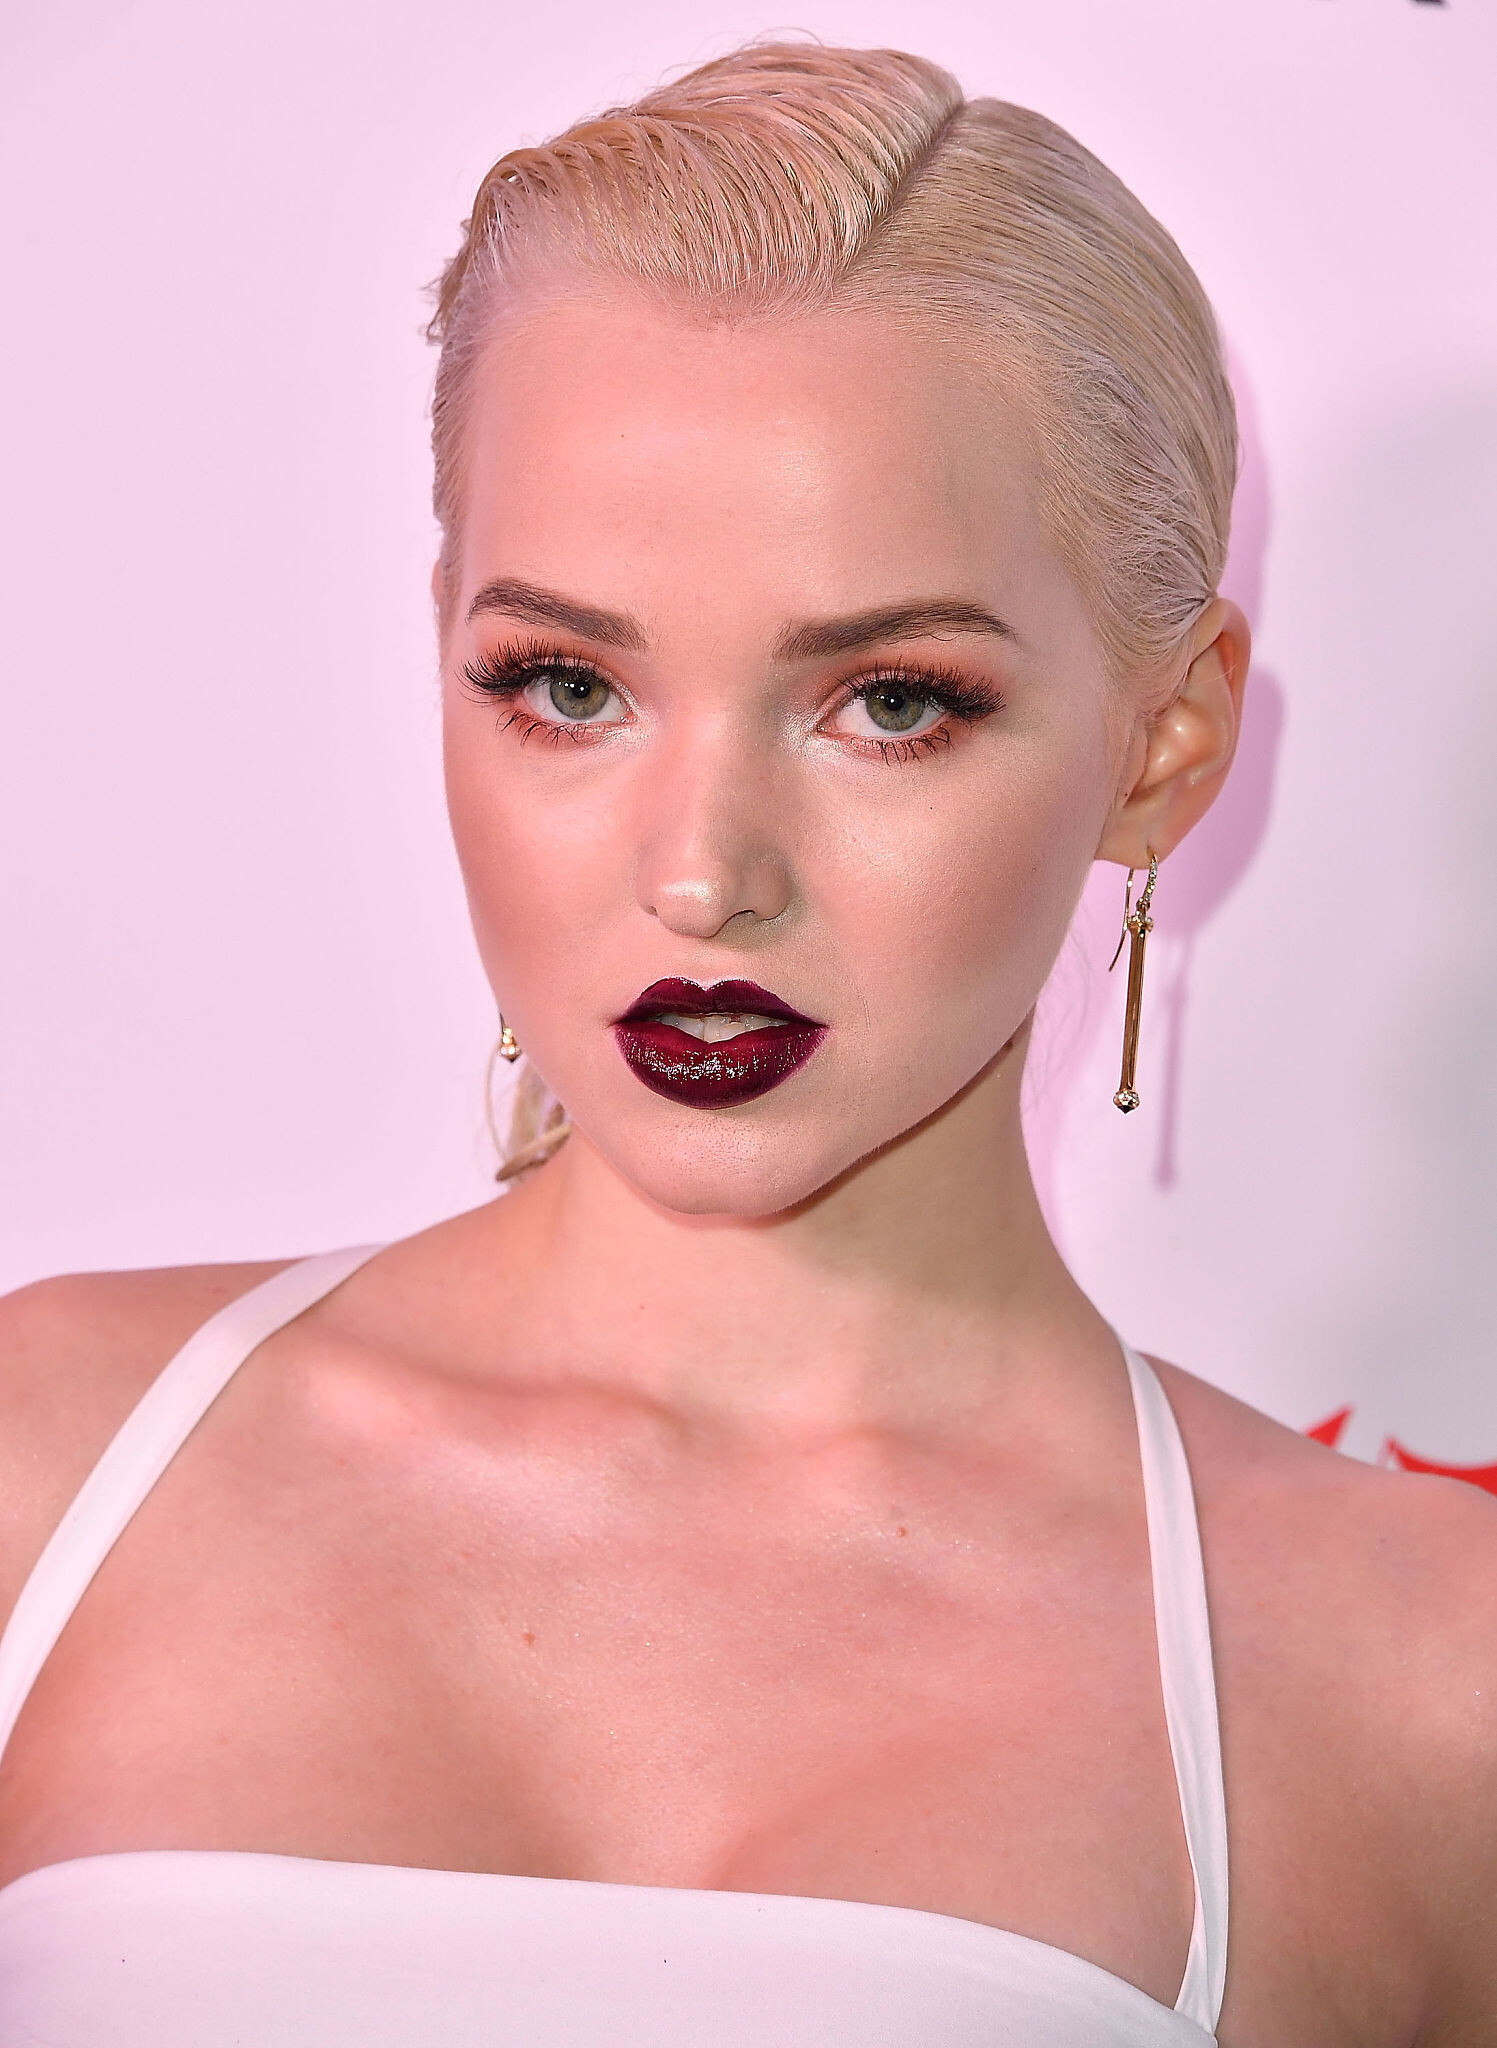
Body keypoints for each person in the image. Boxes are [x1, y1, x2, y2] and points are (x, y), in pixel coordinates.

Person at [0, 39, 1492, 2048]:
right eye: (564, 684)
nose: (699, 876)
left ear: (1164, 743)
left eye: (888, 702)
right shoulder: (43, 1462)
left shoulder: (1424, 1680)